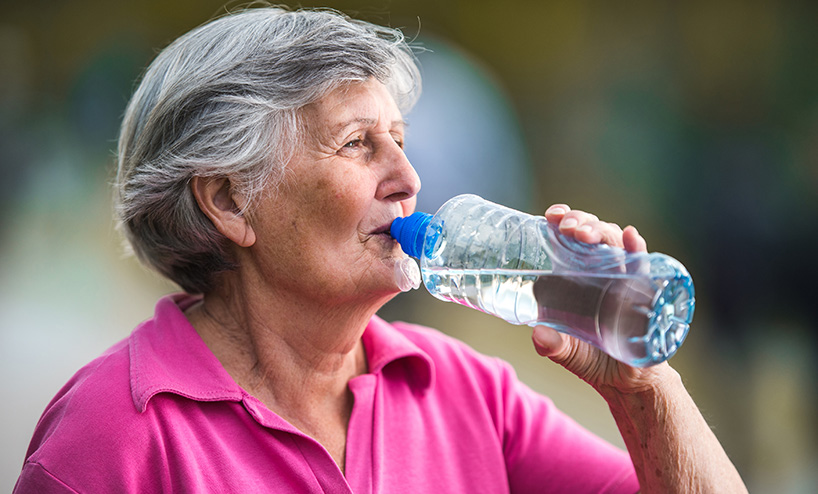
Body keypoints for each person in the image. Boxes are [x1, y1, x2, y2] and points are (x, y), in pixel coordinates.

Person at [14, 7, 746, 493]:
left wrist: (642, 389)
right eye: (358, 144)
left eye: (399, 140)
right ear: (231, 201)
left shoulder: (467, 394)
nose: (409, 179)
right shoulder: (114, 433)